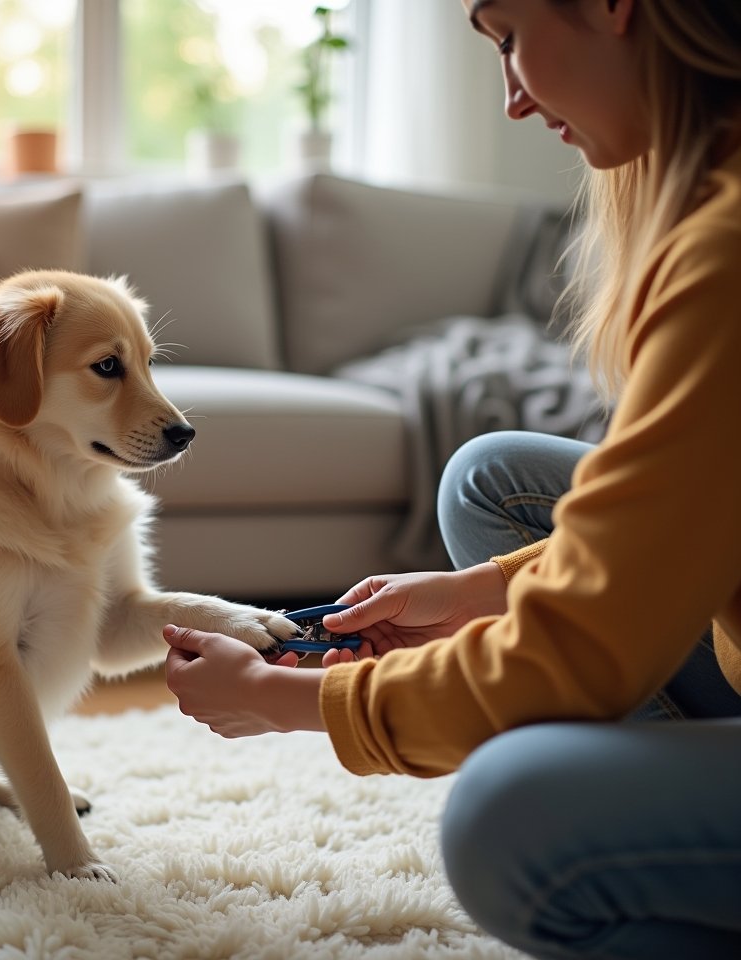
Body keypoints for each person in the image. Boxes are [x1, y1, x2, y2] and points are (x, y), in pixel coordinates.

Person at [162, 1, 741, 956]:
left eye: (508, 37)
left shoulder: (722, 255)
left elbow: (579, 646)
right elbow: (684, 523)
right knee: (494, 479)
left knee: (510, 819)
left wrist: (282, 700)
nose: (510, 100)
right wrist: (475, 591)